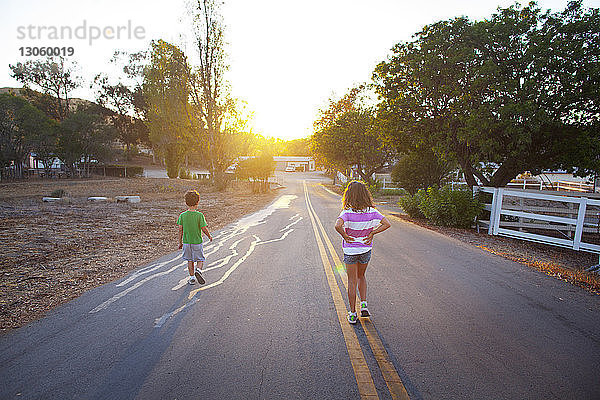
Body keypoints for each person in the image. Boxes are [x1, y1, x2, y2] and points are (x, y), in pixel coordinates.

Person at [335, 181, 391, 324]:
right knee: (361, 276)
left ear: (349, 195)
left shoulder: (346, 212)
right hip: (365, 249)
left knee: (352, 281)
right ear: (365, 194)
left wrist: (345, 236)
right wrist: (373, 233)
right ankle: (364, 304)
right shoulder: (372, 212)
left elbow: (337, 225)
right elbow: (387, 223)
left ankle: (353, 314)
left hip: (350, 251)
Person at [177, 190, 213, 285]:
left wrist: (180, 242)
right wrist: (209, 236)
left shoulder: (182, 215)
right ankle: (198, 270)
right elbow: (203, 228)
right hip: (197, 242)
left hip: (186, 242)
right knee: (200, 259)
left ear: (186, 202)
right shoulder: (199, 215)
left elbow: (180, 229)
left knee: (190, 260)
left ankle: (192, 278)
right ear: (197, 202)